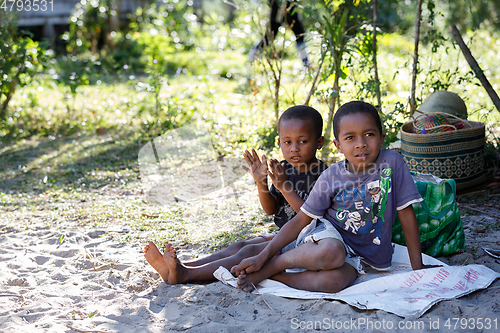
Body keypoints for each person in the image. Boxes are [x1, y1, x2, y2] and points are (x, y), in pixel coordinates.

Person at [231, 100, 436, 293]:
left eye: (369, 135)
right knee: (332, 252)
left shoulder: (393, 163)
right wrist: (263, 256)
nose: (361, 144)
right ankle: (271, 265)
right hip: (330, 238)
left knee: (334, 282)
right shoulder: (330, 176)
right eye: (350, 138)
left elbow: (406, 214)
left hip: (363, 257)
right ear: (338, 146)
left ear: (382, 138)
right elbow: (302, 219)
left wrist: (417, 267)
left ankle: (272, 276)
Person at [144, 105, 328, 284]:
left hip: (308, 240)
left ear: (319, 143)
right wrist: (261, 182)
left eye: (302, 141)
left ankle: (186, 275)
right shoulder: (283, 169)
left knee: (248, 252)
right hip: (283, 234)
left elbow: (310, 218)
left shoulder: (323, 174)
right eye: (287, 142)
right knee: (238, 246)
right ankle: (181, 267)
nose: (294, 148)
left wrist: (284, 187)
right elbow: (271, 209)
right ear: (279, 142)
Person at [248, 0, 311, 68]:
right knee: (269, 38)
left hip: (289, 6)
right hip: (278, 7)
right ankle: (251, 59)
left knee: (299, 34)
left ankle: (306, 64)